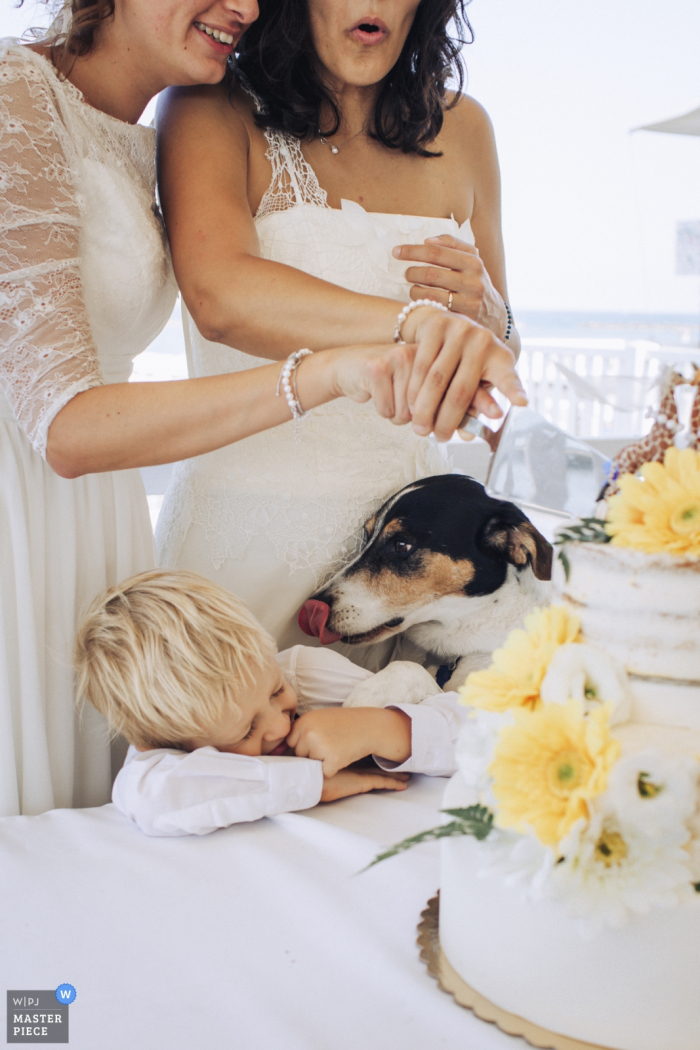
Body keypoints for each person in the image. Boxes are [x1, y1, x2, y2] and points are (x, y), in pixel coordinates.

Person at [0, 0, 492, 817]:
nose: (246, 5)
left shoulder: (130, 127)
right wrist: (333, 368)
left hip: (97, 517)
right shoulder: (28, 96)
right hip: (28, 506)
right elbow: (71, 420)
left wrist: (487, 319)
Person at [154, 0, 526, 657]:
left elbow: (499, 356)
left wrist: (490, 318)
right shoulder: (208, 105)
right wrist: (417, 327)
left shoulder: (467, 126)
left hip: (410, 579)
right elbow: (219, 297)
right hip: (249, 550)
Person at [75, 569, 468, 836]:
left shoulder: (305, 673)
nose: (280, 726)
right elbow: (147, 799)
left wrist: (382, 728)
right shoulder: (161, 762)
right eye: (246, 730)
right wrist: (314, 784)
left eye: (276, 691)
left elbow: (486, 731)